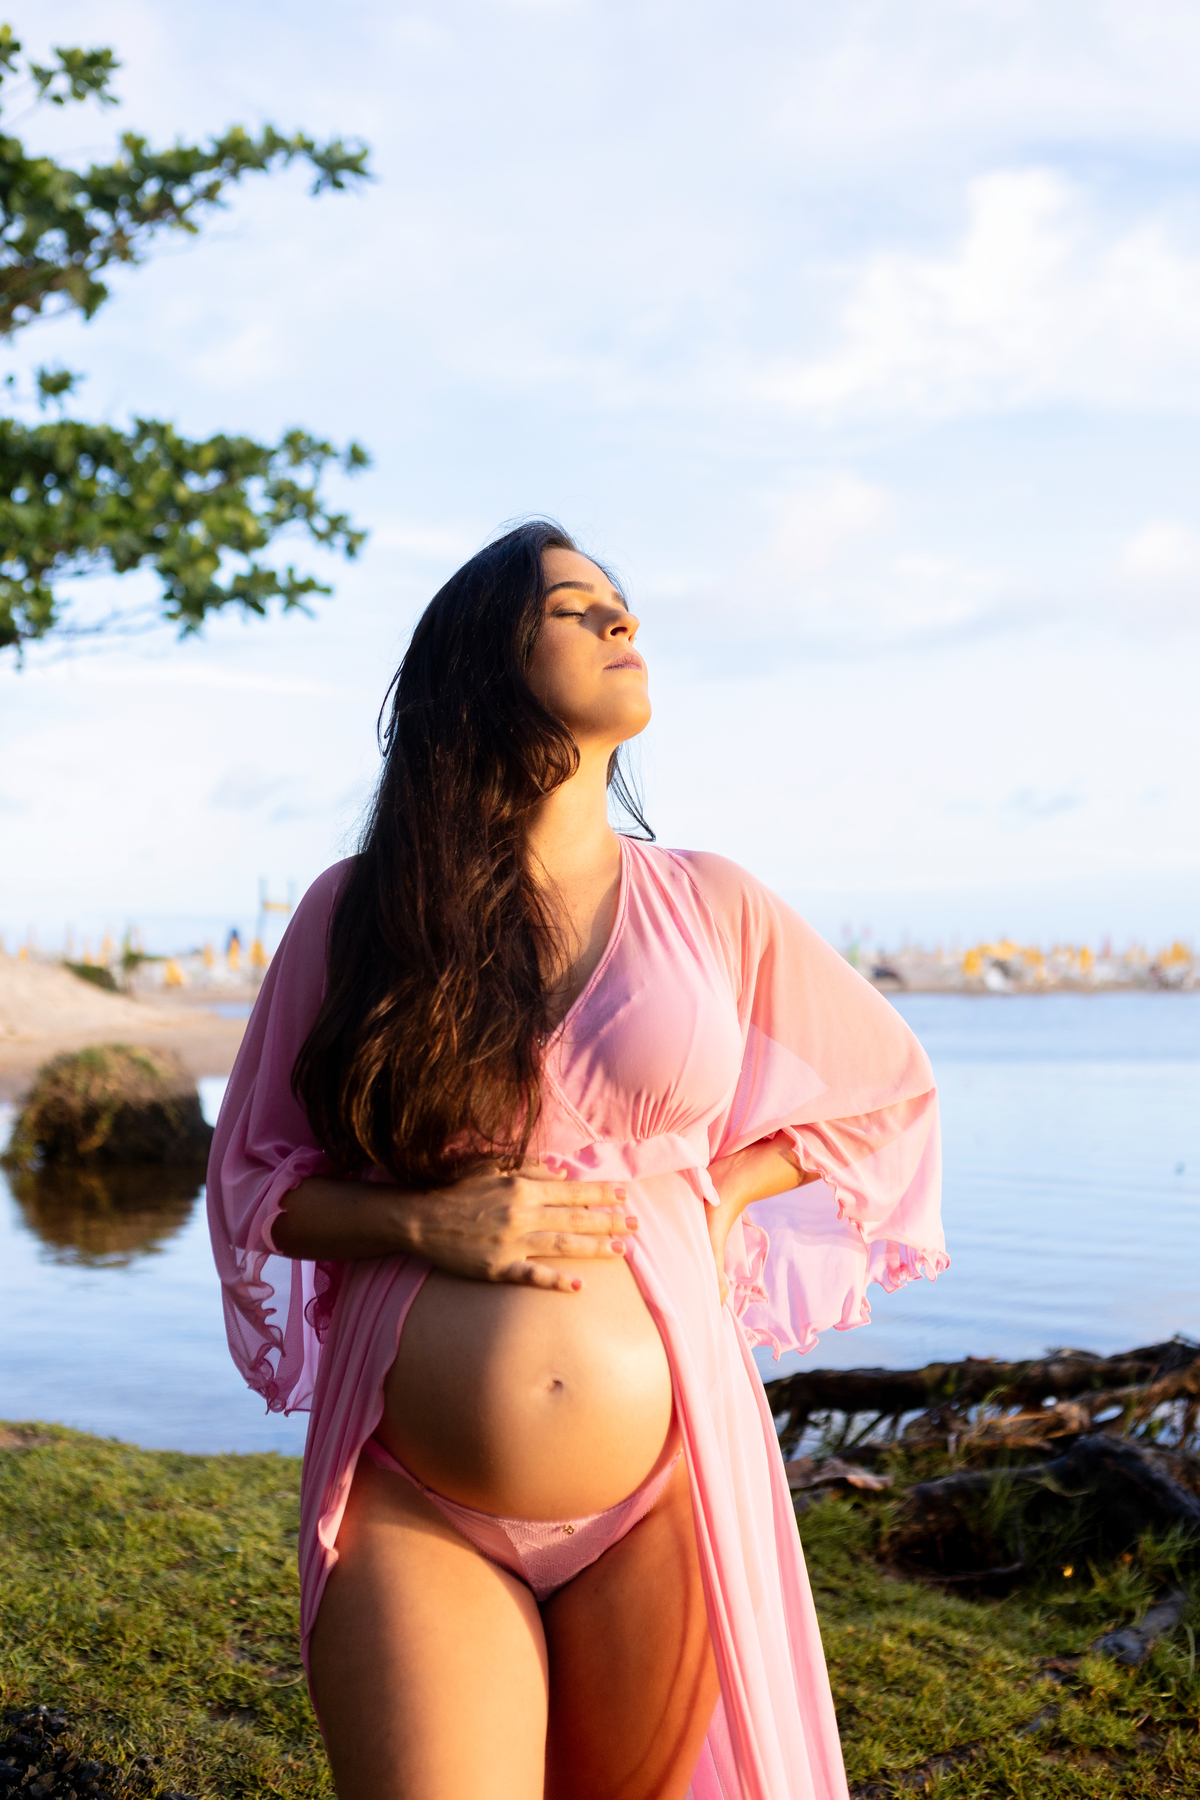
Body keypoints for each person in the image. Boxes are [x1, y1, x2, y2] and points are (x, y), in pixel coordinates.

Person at [207, 521, 946, 1800]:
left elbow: (886, 1094)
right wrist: (421, 1227)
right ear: (486, 663)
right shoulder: (361, 907)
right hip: (415, 1492)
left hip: (663, 1491)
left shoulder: (712, 903)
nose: (623, 625)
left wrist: (722, 1193)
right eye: (575, 606)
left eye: (623, 604)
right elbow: (256, 1182)